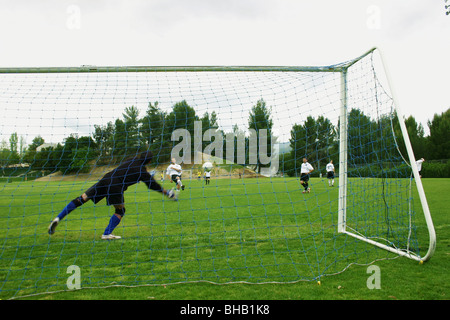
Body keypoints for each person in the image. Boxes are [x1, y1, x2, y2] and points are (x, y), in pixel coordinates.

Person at [48, 151, 177, 240]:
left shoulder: (131, 160)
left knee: (82, 198)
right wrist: (168, 193)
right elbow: (153, 185)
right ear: (149, 161)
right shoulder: (142, 171)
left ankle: (58, 218)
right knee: (120, 210)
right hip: (116, 186)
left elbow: (131, 170)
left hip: (106, 178)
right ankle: (107, 234)